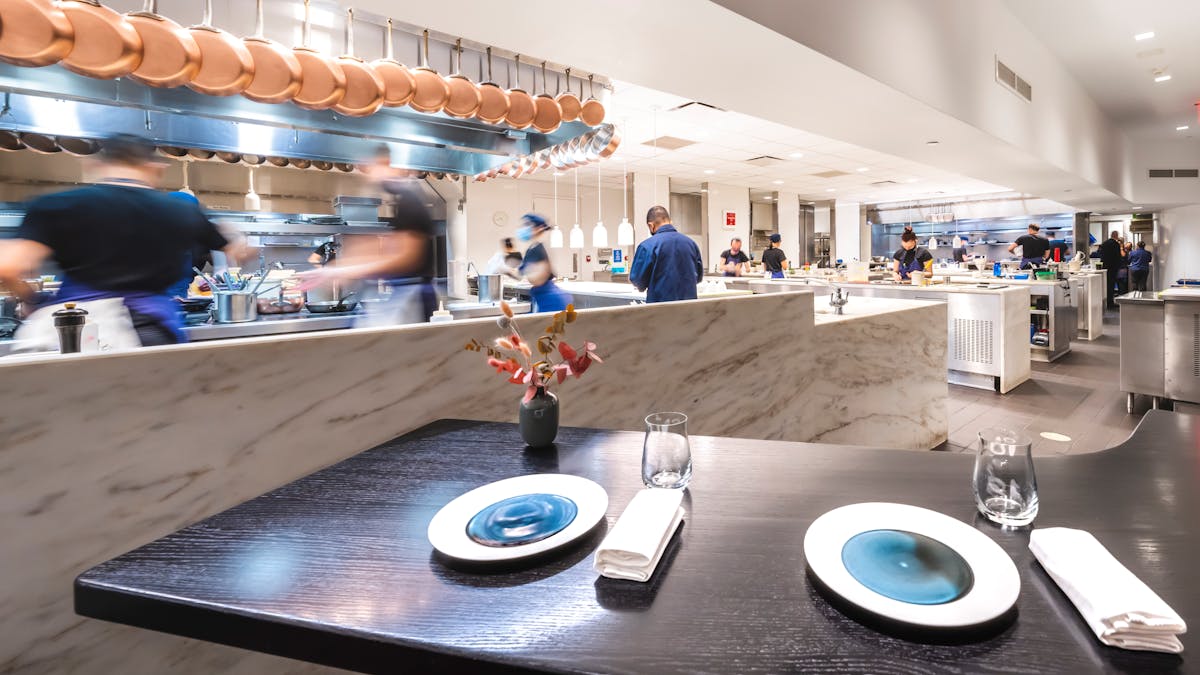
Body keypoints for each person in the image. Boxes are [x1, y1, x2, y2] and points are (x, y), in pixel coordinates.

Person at [0, 134, 234, 346]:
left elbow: (7, 266)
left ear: (96, 165)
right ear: (155, 169)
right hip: (151, 332)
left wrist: (33, 300)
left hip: (75, 331)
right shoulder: (183, 210)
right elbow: (237, 249)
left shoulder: (57, 205)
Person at [299, 147, 438, 324]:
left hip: (414, 299)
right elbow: (389, 254)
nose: (368, 175)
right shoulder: (404, 200)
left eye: (370, 168)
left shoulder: (410, 199)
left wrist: (342, 270)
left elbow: (406, 258)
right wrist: (333, 270)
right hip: (407, 297)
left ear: (386, 163)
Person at [629, 205, 703, 303]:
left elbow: (638, 280)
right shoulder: (691, 244)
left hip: (660, 310)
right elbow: (698, 277)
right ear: (670, 221)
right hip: (689, 311)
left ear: (651, 225)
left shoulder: (647, 246)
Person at [517, 214, 572, 312]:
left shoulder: (539, 249)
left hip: (551, 300)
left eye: (527, 225)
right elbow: (523, 273)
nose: (524, 228)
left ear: (539, 228)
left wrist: (528, 270)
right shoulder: (532, 248)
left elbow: (538, 279)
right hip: (542, 297)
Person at [1098, 230, 1124, 308]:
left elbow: (1100, 254)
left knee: (1106, 285)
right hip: (1113, 268)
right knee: (1111, 285)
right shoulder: (1116, 244)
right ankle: (1110, 303)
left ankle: (1105, 302)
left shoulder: (1104, 243)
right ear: (1116, 236)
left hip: (1104, 267)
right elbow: (1118, 256)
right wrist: (1119, 266)